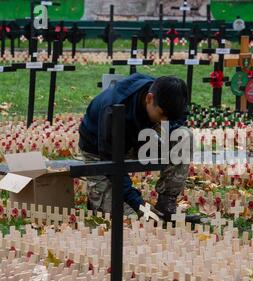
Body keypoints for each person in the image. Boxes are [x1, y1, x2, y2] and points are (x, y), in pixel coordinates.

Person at [78, 73, 203, 224]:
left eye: (169, 117)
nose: (165, 122)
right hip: (99, 150)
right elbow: (112, 164)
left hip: (141, 137)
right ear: (149, 98)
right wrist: (137, 203)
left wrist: (169, 126)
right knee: (128, 219)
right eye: (162, 115)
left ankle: (166, 204)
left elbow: (179, 117)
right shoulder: (114, 109)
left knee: (183, 135)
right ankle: (98, 199)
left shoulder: (167, 94)